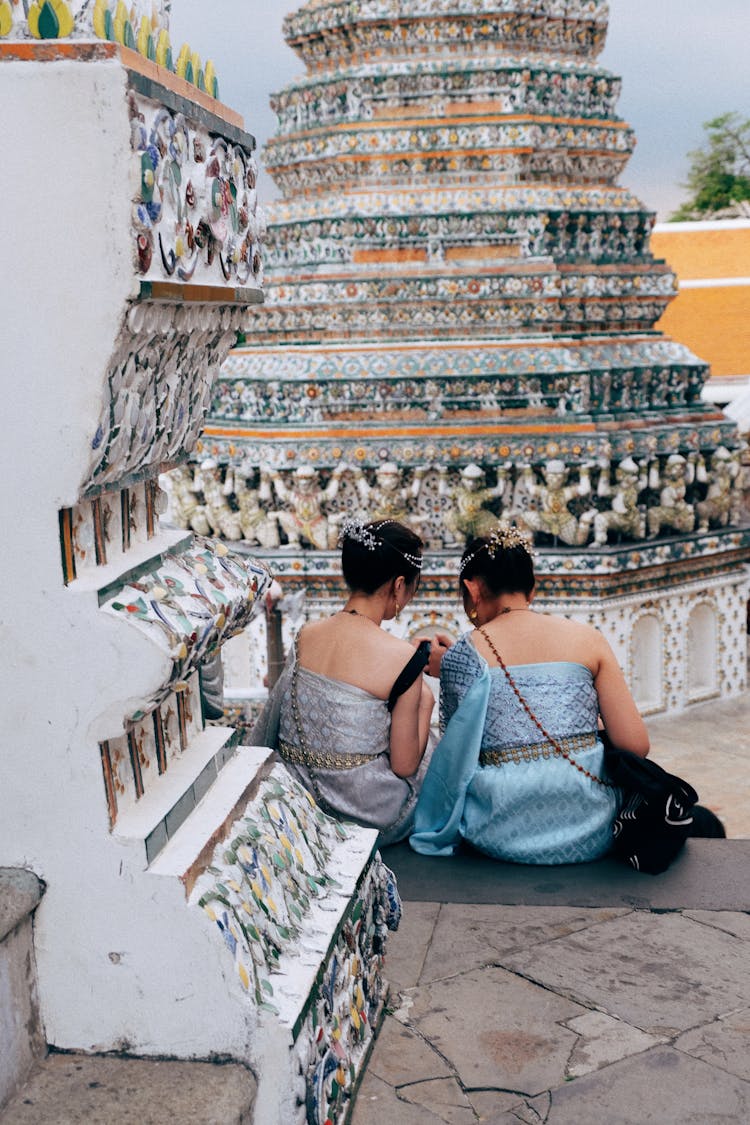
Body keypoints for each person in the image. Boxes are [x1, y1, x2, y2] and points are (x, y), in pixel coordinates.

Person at [410, 522, 650, 864]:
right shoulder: (587, 638)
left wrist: (452, 667)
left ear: (472, 589)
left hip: (498, 828)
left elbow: (459, 756)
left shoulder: (465, 653)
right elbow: (636, 745)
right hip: (591, 824)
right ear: (532, 588)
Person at [249, 519, 435, 845]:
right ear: (398, 585)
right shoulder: (405, 658)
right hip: (366, 814)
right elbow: (405, 766)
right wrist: (426, 701)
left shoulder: (306, 635)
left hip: (298, 799)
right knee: (434, 747)